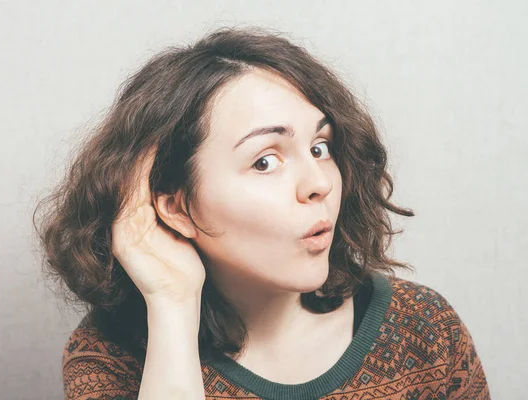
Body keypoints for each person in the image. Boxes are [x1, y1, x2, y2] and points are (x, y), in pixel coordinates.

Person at [33, 26, 490, 399]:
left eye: (320, 147)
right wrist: (172, 307)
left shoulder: (422, 330)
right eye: (265, 161)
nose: (319, 183)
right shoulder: (111, 359)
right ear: (176, 208)